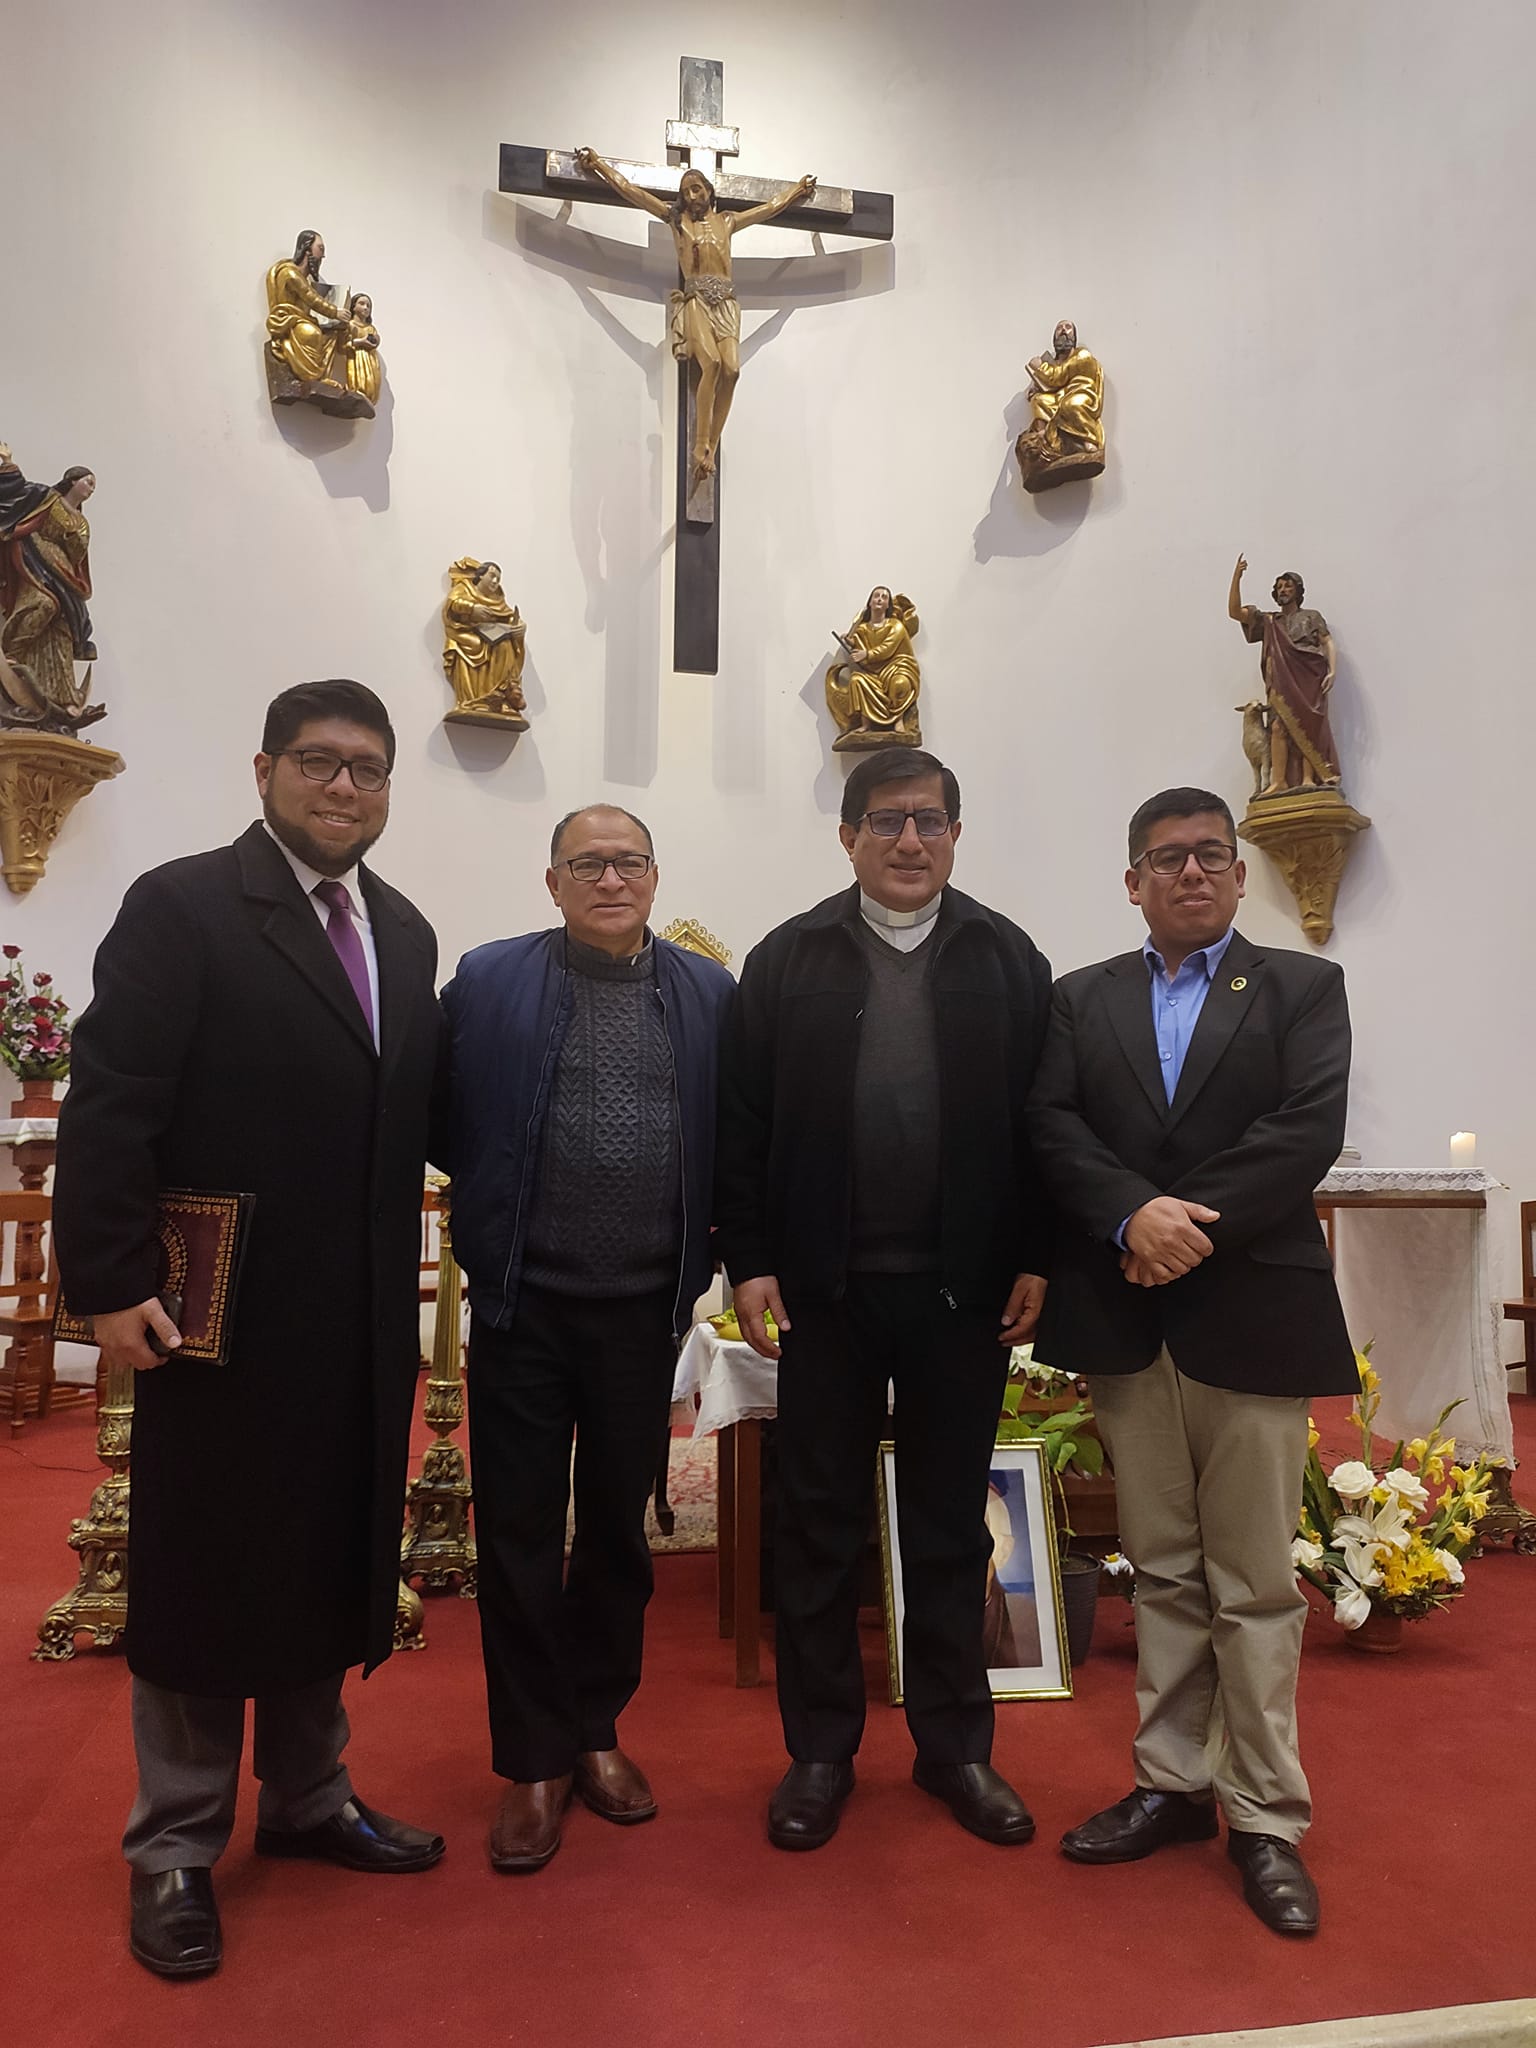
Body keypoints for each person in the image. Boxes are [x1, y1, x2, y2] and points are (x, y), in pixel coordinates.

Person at [53, 679, 447, 1980]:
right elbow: (113, 1101)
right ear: (266, 768)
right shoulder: (183, 906)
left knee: (328, 1554)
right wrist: (109, 1278)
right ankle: (173, 1842)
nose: (345, 787)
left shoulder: (402, 930)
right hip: (215, 1318)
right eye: (320, 762)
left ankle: (309, 1798)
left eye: (369, 768)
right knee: (207, 1570)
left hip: (358, 1320)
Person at [1026, 786, 1356, 1937]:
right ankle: (1171, 1784)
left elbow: (1305, 1129)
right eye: (1167, 857)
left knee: (1255, 1579)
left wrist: (1178, 1224)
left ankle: (1264, 1812)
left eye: (1212, 853)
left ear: (1240, 872)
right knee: (1162, 1567)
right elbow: (1053, 1126)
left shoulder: (1303, 987)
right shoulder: (1080, 999)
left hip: (1253, 1312)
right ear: (1133, 881)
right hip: (1129, 1317)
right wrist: (1132, 1215)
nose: (1193, 871)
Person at [715, 746, 1052, 1851]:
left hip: (964, 1294)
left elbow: (1045, 1125)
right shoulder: (789, 958)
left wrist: (1038, 1253)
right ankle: (820, 1750)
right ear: (848, 835)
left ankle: (955, 1747)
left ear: (956, 834)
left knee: (951, 1525)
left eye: (931, 820)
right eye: (888, 820)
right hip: (827, 1292)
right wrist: (749, 1259)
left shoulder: (1007, 958)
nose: (911, 840)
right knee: (817, 1524)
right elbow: (741, 1124)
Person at [437, 805, 733, 1873]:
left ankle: (596, 1727)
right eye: (588, 863)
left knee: (616, 1533)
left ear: (654, 875)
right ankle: (532, 1758)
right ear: (553, 880)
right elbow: (441, 1113)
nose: (611, 879)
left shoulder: (709, 994)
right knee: (517, 1535)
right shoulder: (489, 980)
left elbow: (734, 1134)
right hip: (523, 1308)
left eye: (629, 861)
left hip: (641, 1311)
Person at [573, 151, 816, 480]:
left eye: (697, 189)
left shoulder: (728, 221)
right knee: (711, 363)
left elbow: (770, 208)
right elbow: (631, 191)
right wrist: (599, 165)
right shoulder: (678, 222)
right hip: (697, 300)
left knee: (732, 370)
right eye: (686, 191)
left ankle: (711, 446)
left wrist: (798, 190)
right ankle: (700, 443)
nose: (691, 196)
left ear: (709, 191)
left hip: (726, 302)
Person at [0, 442, 105, 733]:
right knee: (43, 604)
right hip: (34, 560)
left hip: (64, 573)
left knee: (62, 628)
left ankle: (62, 695)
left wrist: (73, 546)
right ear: (73, 480)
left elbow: (79, 554)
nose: (91, 489)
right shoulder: (48, 498)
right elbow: (17, 492)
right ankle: (13, 653)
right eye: (88, 482)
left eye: (94, 486)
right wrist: (8, 462)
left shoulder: (82, 520)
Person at [1228, 556, 1339, 794]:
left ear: (1298, 591)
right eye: (1279, 587)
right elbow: (1235, 612)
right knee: (1278, 727)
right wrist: (1237, 577)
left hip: (1309, 678)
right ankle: (1279, 780)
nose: (1283, 590)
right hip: (1280, 681)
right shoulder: (1269, 620)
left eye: (1288, 586)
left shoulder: (1311, 616)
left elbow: (1327, 641)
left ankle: (1309, 778)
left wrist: (1332, 671)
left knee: (1308, 727)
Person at [825, 586, 922, 749]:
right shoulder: (862, 628)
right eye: (876, 596)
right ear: (870, 602)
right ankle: (866, 724)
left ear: (888, 605)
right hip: (873, 673)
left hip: (896, 667)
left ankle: (898, 720)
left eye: (884, 597)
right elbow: (858, 644)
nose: (879, 599)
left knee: (899, 683)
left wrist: (866, 654)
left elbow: (886, 649)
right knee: (856, 680)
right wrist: (850, 642)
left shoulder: (896, 626)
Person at [440, 558, 527, 723]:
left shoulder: (498, 599)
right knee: (477, 644)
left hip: (491, 636)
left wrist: (519, 627)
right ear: (480, 575)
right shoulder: (464, 588)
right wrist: (472, 609)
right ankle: (476, 700)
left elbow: (509, 618)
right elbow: (452, 604)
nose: (495, 581)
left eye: (498, 579)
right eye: (492, 576)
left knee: (505, 645)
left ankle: (500, 696)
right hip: (465, 632)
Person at [343, 292, 382, 406]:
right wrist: (360, 342)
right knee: (360, 383)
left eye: (368, 306)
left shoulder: (371, 328)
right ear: (353, 307)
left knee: (372, 383)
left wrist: (375, 341)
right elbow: (342, 345)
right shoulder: (350, 325)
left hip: (371, 360)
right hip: (356, 357)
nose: (365, 308)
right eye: (362, 304)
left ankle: (370, 398)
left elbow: (375, 342)